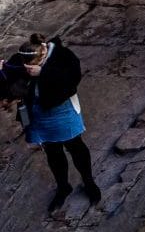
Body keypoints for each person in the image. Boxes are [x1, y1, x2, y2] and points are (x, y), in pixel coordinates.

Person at [5, 34, 100, 212]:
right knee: (53, 152)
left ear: (42, 56)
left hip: (62, 110)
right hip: (38, 114)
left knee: (75, 146)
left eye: (32, 66)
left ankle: (89, 183)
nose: (28, 69)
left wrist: (44, 73)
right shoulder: (22, 57)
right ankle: (63, 187)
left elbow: (72, 81)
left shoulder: (63, 56)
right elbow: (10, 80)